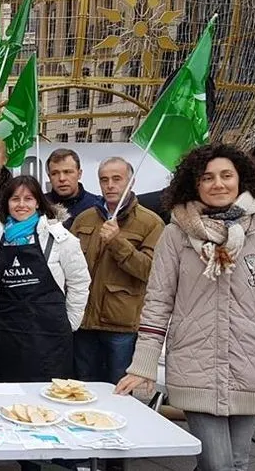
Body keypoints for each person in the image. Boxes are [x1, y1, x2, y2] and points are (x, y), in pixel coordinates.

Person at [116, 143, 255, 471]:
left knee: (237, 461)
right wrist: (143, 364)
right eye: (208, 177)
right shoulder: (175, 235)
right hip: (194, 364)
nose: (218, 183)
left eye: (226, 175)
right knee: (218, 464)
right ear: (195, 184)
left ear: (241, 180)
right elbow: (158, 302)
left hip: (253, 364)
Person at [0, 175, 90, 384]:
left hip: (50, 337)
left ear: (38, 202)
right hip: (7, 335)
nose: (21, 205)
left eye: (28, 199)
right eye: (15, 199)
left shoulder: (59, 238)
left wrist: (72, 322)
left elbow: (80, 282)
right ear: (7, 203)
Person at [70, 157, 164, 384]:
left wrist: (117, 242)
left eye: (116, 179)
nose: (110, 185)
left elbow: (149, 271)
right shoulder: (84, 218)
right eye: (104, 180)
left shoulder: (151, 223)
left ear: (131, 182)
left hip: (120, 325)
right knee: (82, 386)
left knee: (119, 389)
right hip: (84, 321)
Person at [45, 148, 102, 228]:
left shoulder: (98, 206)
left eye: (67, 172)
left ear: (79, 174)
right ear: (49, 177)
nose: (62, 178)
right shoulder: (39, 205)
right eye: (55, 173)